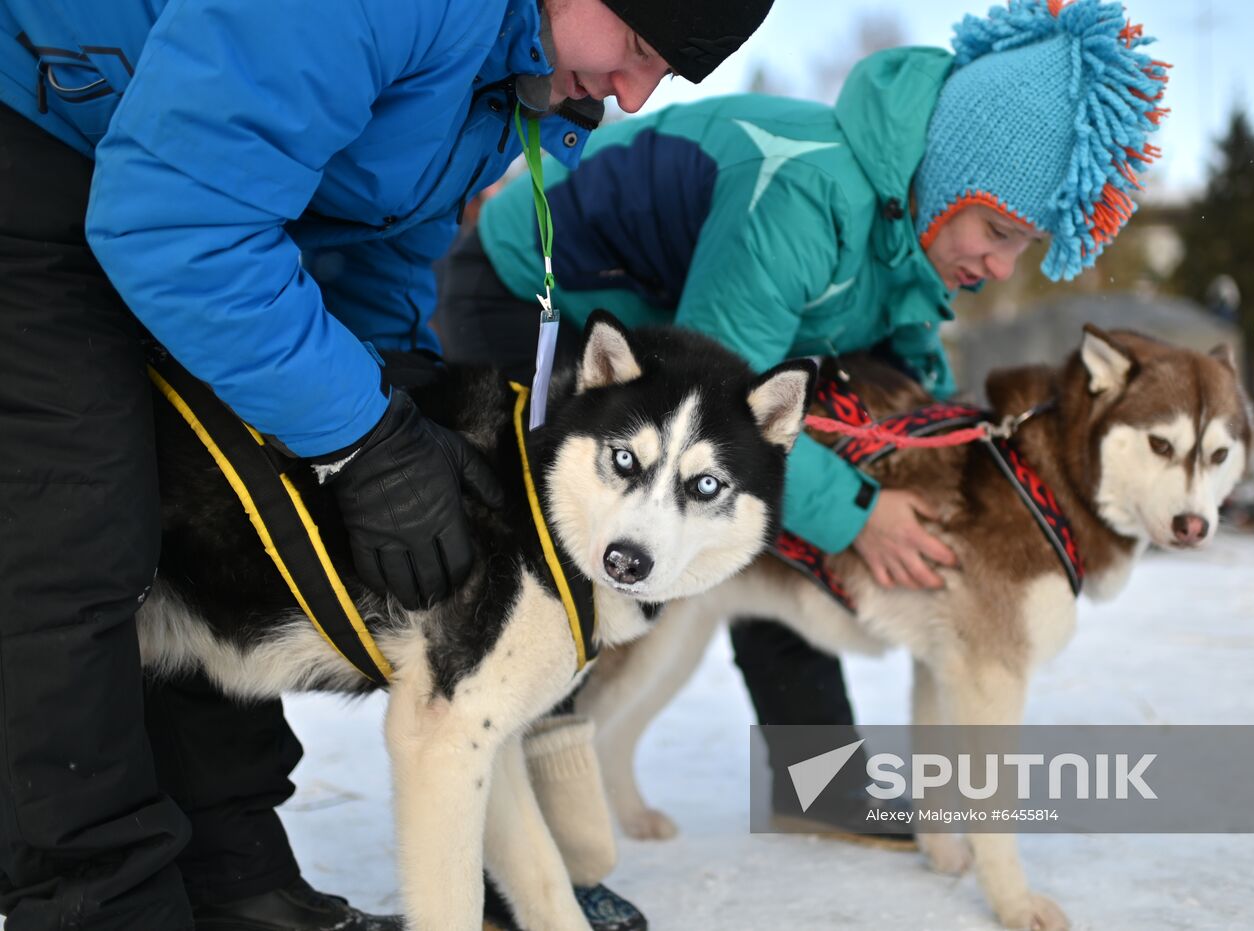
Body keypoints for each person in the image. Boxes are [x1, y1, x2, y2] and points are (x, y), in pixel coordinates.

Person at [0, 0, 775, 927]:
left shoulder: (508, 80)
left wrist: (393, 394)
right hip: (40, 147)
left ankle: (234, 873)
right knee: (79, 532)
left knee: (235, 508)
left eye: (669, 76)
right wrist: (361, 441)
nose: (636, 95)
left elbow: (372, 238)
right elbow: (174, 221)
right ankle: (100, 903)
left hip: (184, 187)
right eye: (640, 47)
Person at [439, 0, 1169, 841]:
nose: (1000, 264)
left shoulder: (907, 244)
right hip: (528, 289)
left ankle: (815, 784)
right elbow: (717, 412)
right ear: (948, 173)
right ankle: (523, 832)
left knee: (767, 528)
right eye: (998, 231)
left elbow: (899, 377)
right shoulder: (807, 194)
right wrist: (861, 511)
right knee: (568, 547)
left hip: (658, 336)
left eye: (1023, 247)